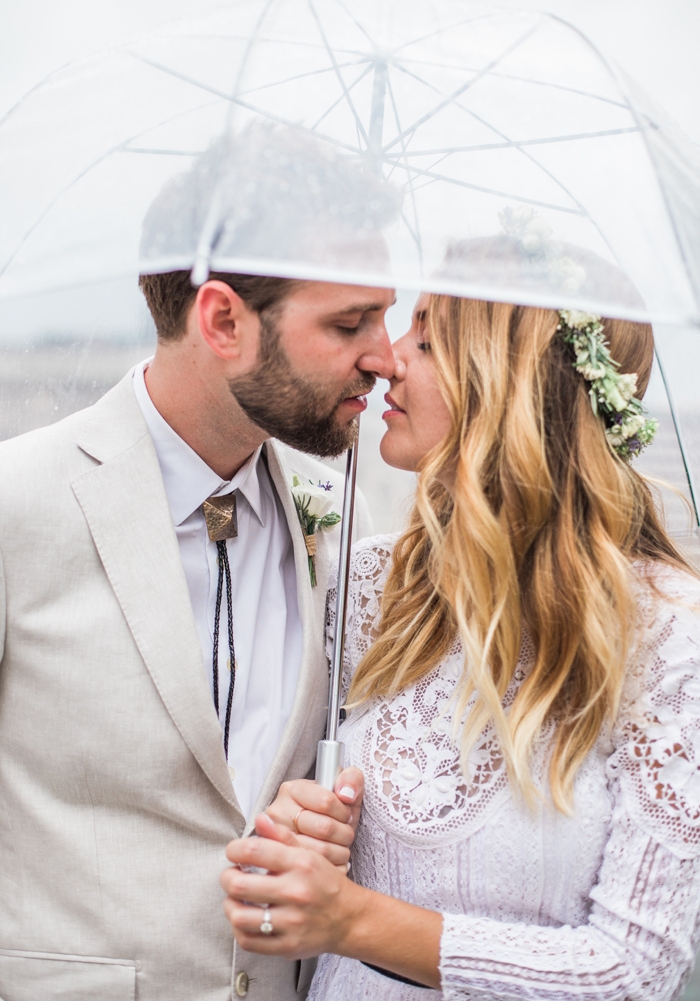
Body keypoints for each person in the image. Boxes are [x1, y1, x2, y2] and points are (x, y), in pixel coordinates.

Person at [0, 125, 398, 999]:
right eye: (349, 322)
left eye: (385, 315)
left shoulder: (343, 518)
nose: (386, 354)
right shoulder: (16, 504)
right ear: (222, 320)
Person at [221, 290, 700, 1000]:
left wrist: (356, 921)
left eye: (430, 341)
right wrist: (295, 818)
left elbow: (633, 971)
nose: (388, 363)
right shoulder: (360, 590)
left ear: (512, 385)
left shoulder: (667, 632)